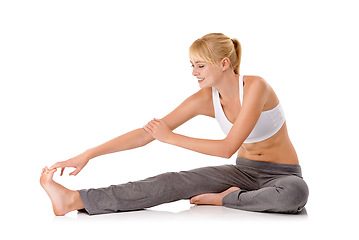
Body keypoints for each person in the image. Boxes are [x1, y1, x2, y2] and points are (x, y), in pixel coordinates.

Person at [40, 33, 309, 216]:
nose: (194, 72)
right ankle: (75, 199)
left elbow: (228, 147)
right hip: (242, 174)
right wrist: (88, 154)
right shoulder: (205, 99)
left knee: (295, 194)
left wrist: (170, 138)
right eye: (192, 65)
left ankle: (226, 199)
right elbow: (146, 135)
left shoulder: (255, 87)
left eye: (200, 66)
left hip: (282, 175)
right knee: (173, 181)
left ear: (224, 63)